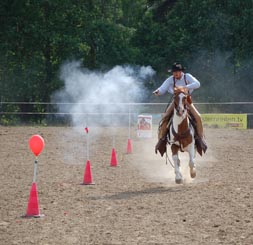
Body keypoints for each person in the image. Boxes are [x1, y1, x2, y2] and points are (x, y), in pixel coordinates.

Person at [153, 62, 207, 155]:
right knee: (165, 117)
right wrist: (158, 91)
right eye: (174, 72)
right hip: (176, 101)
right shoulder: (170, 79)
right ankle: (162, 140)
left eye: (177, 72)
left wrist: (184, 88)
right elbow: (162, 88)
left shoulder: (187, 76)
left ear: (181, 71)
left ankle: (200, 139)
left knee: (198, 117)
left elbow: (197, 84)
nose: (175, 74)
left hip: (187, 100)